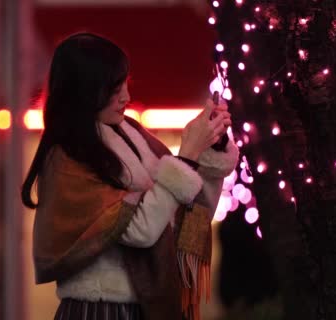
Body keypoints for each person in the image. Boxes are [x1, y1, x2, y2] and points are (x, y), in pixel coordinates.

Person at [21, 32, 239, 320]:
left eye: (124, 82)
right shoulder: (68, 155)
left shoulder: (130, 133)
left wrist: (210, 146)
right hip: (98, 309)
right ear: (85, 91)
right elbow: (141, 230)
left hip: (138, 308)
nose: (126, 96)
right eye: (113, 88)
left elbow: (184, 213)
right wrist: (187, 155)